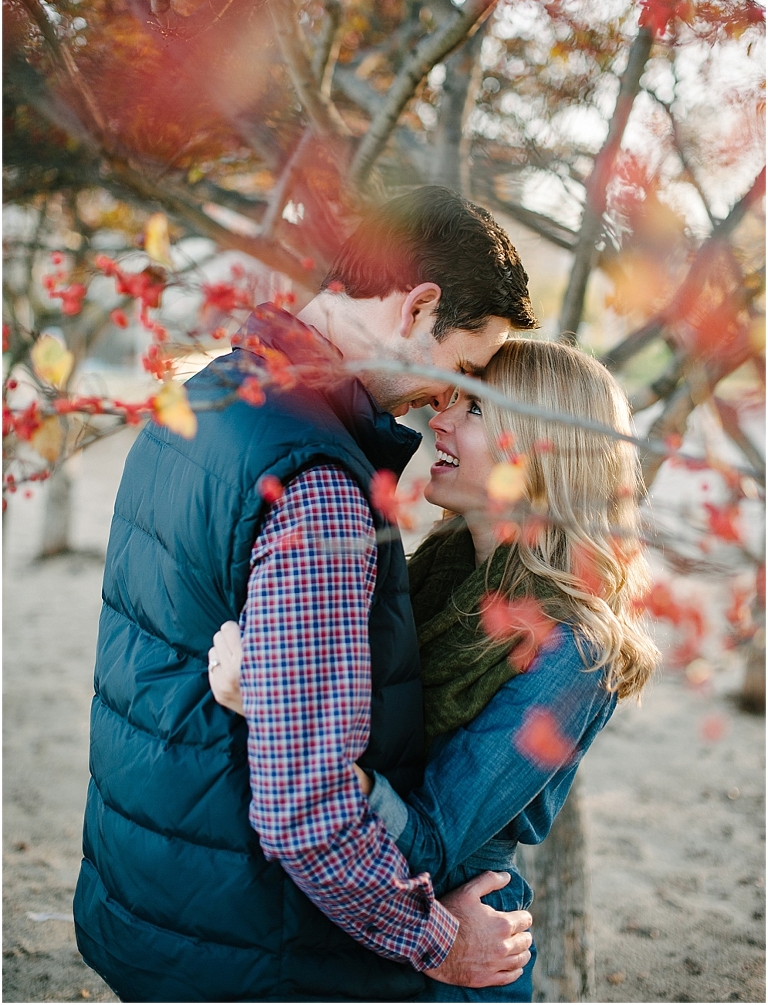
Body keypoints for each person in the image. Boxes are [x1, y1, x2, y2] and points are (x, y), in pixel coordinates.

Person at [73, 186, 539, 1003]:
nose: (446, 402)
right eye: (461, 368)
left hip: (151, 894)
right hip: (257, 946)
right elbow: (308, 811)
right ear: (418, 307)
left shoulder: (208, 396)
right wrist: (441, 945)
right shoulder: (318, 485)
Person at [208, 337, 661, 1002]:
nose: (438, 420)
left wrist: (282, 710)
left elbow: (430, 842)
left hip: (462, 940)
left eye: (473, 408)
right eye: (449, 400)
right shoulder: (436, 568)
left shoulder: (573, 649)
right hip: (377, 910)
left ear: (543, 451)